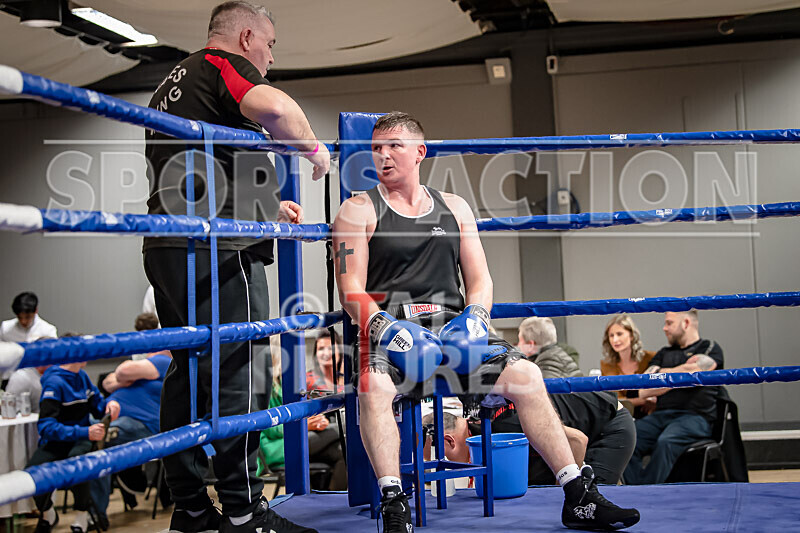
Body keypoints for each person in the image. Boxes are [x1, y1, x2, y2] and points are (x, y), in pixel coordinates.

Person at [332, 111, 639, 532]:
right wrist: (387, 327)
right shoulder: (358, 209)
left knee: (527, 375)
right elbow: (349, 287)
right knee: (372, 387)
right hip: (388, 327)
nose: (384, 156)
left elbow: (480, 280)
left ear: (420, 152)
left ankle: (577, 495)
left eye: (394, 147)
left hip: (453, 329)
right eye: (377, 148)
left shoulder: (454, 206)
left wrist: (476, 317)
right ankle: (394, 506)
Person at [142, 2, 328, 532]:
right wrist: (315, 152)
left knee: (188, 372)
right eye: (269, 46)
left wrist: (264, 206)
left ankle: (192, 508)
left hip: (170, 243)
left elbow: (199, 167)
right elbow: (277, 111)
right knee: (238, 372)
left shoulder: (172, 83)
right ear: (247, 37)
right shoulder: (222, 64)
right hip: (220, 249)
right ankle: (246, 511)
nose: (269, 59)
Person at [623, 310, 724, 485]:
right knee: (626, 437)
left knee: (666, 442)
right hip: (661, 416)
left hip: (696, 417)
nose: (664, 328)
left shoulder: (709, 347)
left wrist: (662, 375)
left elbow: (696, 372)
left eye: (669, 323)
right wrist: (683, 371)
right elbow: (647, 386)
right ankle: (635, 490)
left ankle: (647, 493)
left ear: (685, 323)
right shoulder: (663, 353)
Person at [28, 360, 120, 533]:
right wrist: (84, 432)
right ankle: (47, 514)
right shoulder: (54, 383)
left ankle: (81, 517)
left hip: (81, 440)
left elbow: (99, 407)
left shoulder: (82, 376)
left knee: (78, 463)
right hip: (59, 441)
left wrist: (111, 405)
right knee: (32, 472)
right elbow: (46, 427)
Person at [92, 350, 173, 517]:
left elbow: (122, 372)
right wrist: (125, 381)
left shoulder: (164, 362)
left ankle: (94, 512)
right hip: (111, 416)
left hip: (141, 423)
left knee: (100, 443)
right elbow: (107, 383)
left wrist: (124, 380)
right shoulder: (147, 369)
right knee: (90, 435)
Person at [600, 314, 656, 418]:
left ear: (631, 335)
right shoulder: (606, 365)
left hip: (651, 416)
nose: (615, 340)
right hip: (621, 416)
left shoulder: (650, 358)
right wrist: (642, 400)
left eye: (619, 334)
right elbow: (615, 401)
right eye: (611, 335)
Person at [517, 317, 582, 379]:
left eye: (520, 340)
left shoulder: (548, 362)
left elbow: (545, 388)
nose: (518, 345)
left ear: (531, 345)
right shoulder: (555, 354)